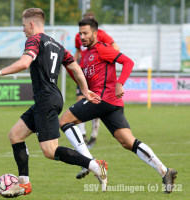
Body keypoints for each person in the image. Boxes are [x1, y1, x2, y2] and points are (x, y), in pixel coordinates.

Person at [0, 8, 108, 197]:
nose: (23, 29)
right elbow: (75, 68)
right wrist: (85, 90)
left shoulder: (34, 40)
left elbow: (25, 63)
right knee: (15, 135)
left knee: (50, 151)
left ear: (32, 24)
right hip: (50, 98)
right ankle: (24, 184)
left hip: (45, 100)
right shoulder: (57, 44)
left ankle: (94, 165)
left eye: (24, 25)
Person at [60, 17, 177, 194]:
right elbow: (79, 78)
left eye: (85, 33)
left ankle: (89, 162)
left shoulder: (102, 48)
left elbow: (128, 62)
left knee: (64, 120)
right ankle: (165, 171)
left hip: (103, 99)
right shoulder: (85, 56)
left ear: (95, 33)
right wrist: (67, 64)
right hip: (110, 103)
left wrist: (120, 82)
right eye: (80, 34)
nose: (82, 37)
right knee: (127, 141)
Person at [74, 12, 119, 149]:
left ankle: (94, 135)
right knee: (80, 100)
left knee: (95, 102)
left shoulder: (102, 35)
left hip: (96, 74)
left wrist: (102, 59)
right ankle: (83, 134)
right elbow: (77, 52)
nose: (83, 36)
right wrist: (72, 63)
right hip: (83, 72)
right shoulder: (78, 36)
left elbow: (116, 48)